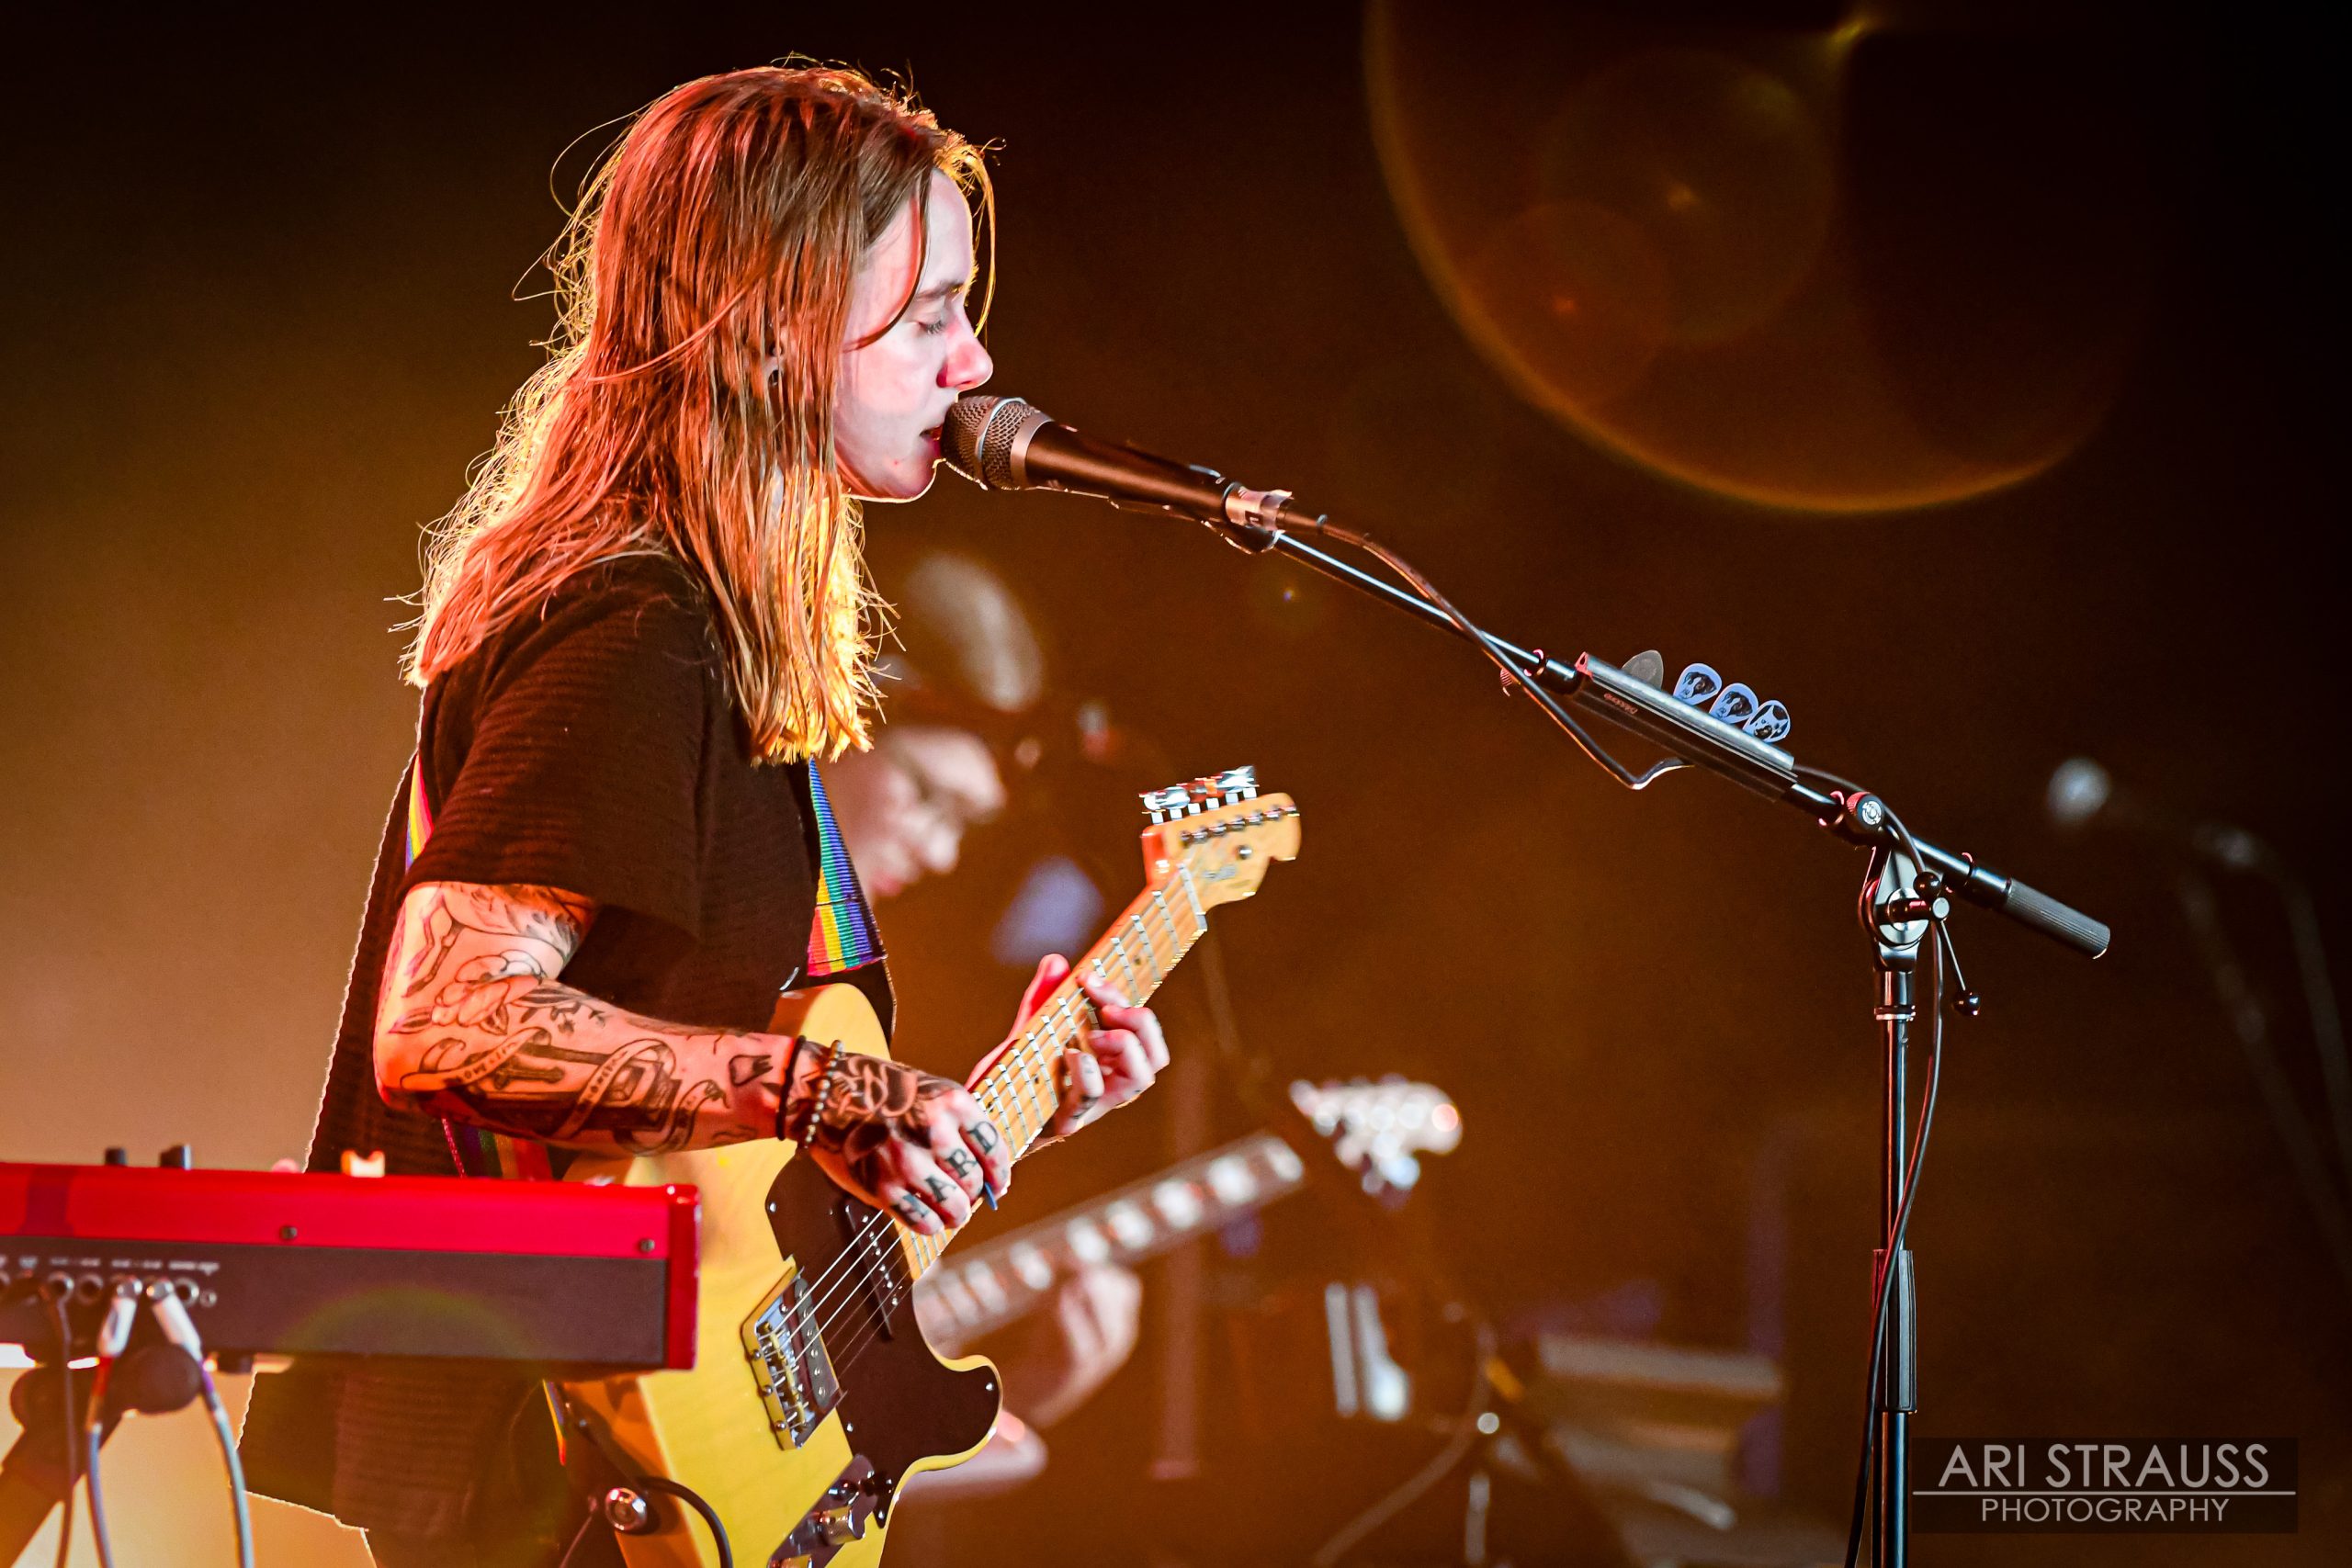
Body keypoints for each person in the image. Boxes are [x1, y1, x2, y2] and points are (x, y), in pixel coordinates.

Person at [239, 65, 1169, 1568]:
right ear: (773, 320)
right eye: (928, 312)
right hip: (550, 1483)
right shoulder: (634, 631)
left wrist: (1001, 1107)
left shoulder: (718, 646)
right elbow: (449, 1020)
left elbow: (716, 1173)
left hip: (653, 1452)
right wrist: (818, 1095)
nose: (976, 354)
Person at [823, 550, 1147, 1496]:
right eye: (930, 797)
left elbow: (791, 1399)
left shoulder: (857, 981)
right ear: (836, 716)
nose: (939, 852)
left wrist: (1032, 1395)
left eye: (968, 825)